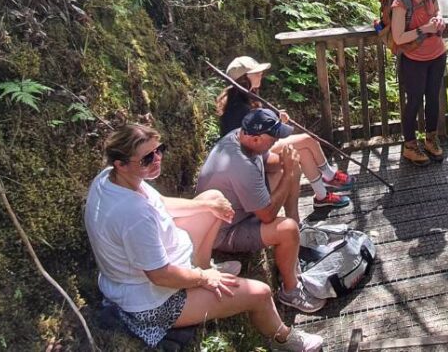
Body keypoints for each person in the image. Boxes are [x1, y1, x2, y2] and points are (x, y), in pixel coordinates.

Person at [84, 124, 323, 352]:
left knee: (214, 200)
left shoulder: (111, 178)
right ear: (121, 164)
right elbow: (160, 275)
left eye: (159, 150)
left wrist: (206, 204)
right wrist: (203, 278)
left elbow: (161, 204)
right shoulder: (133, 215)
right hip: (154, 302)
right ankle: (283, 338)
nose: (157, 160)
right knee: (260, 294)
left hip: (163, 267)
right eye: (147, 158)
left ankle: (204, 263)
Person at [196, 108, 327, 314]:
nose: (276, 141)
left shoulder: (240, 136)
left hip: (238, 209)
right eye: (273, 137)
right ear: (256, 139)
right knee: (287, 229)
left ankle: (298, 231)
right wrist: (288, 173)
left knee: (289, 168)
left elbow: (268, 161)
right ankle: (290, 290)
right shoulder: (240, 166)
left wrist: (288, 165)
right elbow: (267, 215)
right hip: (225, 232)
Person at [218, 55, 353, 209]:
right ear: (243, 79)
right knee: (308, 140)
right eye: (256, 72)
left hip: (256, 150)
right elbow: (258, 136)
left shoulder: (244, 97)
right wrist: (277, 120)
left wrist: (274, 117)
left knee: (304, 151)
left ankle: (322, 197)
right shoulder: (238, 107)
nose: (260, 74)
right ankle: (330, 177)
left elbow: (259, 123)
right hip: (252, 155)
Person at [389, 0, 447, 166]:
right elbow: (398, 37)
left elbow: (437, 10)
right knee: (413, 101)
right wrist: (425, 29)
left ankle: (431, 139)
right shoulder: (400, 2)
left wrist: (439, 20)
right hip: (414, 59)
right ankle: (410, 146)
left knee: (433, 97)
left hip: (437, 54)